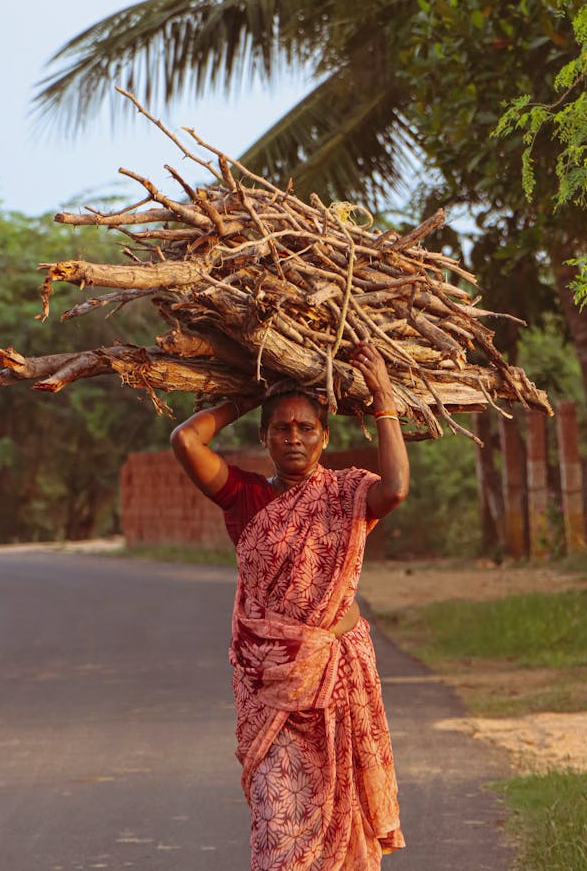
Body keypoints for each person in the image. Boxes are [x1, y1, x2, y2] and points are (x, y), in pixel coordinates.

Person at [170, 340, 409, 870]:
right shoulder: (245, 497)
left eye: (306, 428)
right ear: (264, 436)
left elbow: (394, 488)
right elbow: (186, 439)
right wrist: (251, 392)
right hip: (271, 692)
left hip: (334, 686)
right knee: (280, 829)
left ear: (325, 436)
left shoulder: (348, 494)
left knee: (340, 820)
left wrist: (381, 394)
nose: (294, 438)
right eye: (282, 428)